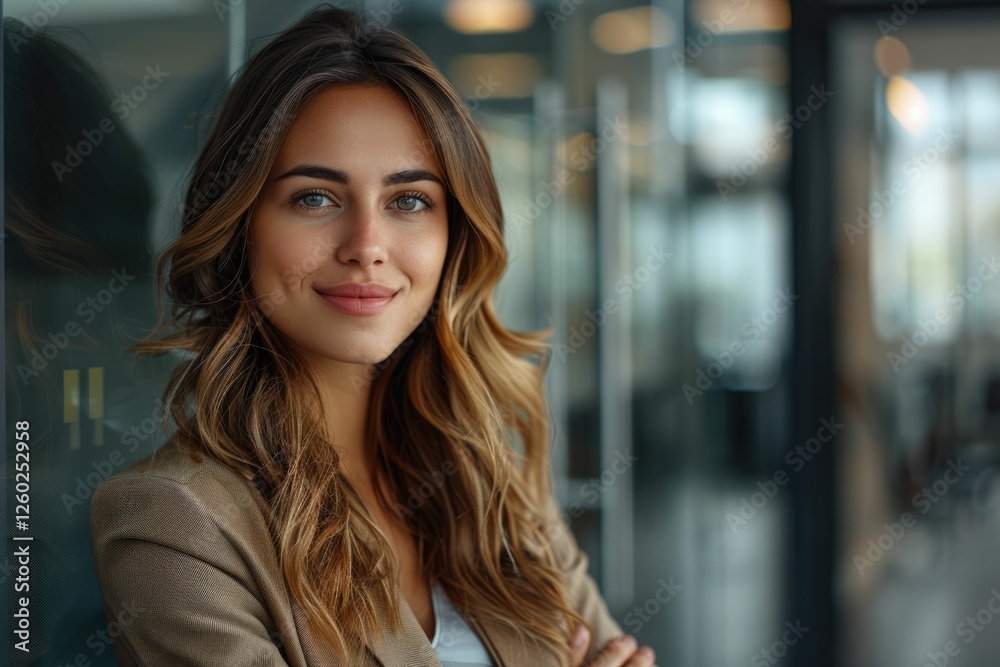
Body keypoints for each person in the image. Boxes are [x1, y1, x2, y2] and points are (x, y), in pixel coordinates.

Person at [88, 5, 656, 666]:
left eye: (408, 201)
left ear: (454, 237)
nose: (366, 246)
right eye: (314, 198)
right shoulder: (174, 519)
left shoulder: (490, 475)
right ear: (240, 225)